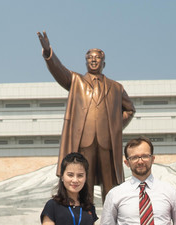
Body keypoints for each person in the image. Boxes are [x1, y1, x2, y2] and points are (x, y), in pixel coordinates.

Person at [37, 31, 136, 200]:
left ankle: (111, 220)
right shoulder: (76, 81)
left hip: (107, 143)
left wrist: (115, 125)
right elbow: (58, 70)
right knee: (84, 181)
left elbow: (130, 110)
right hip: (84, 140)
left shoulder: (116, 88)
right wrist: (48, 54)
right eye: (90, 58)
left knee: (110, 184)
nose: (93, 60)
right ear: (85, 62)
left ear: (104, 62)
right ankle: (85, 217)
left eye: (97, 58)